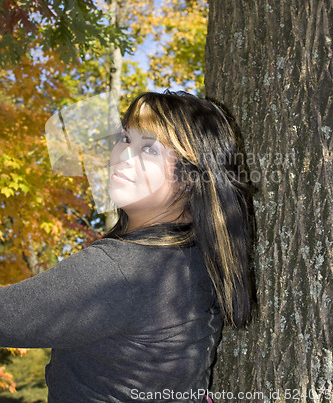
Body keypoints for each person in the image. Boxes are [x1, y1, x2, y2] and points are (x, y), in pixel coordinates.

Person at [0, 90, 256, 403]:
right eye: (124, 138)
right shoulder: (195, 257)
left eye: (149, 148)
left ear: (190, 177)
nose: (122, 155)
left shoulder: (122, 270)